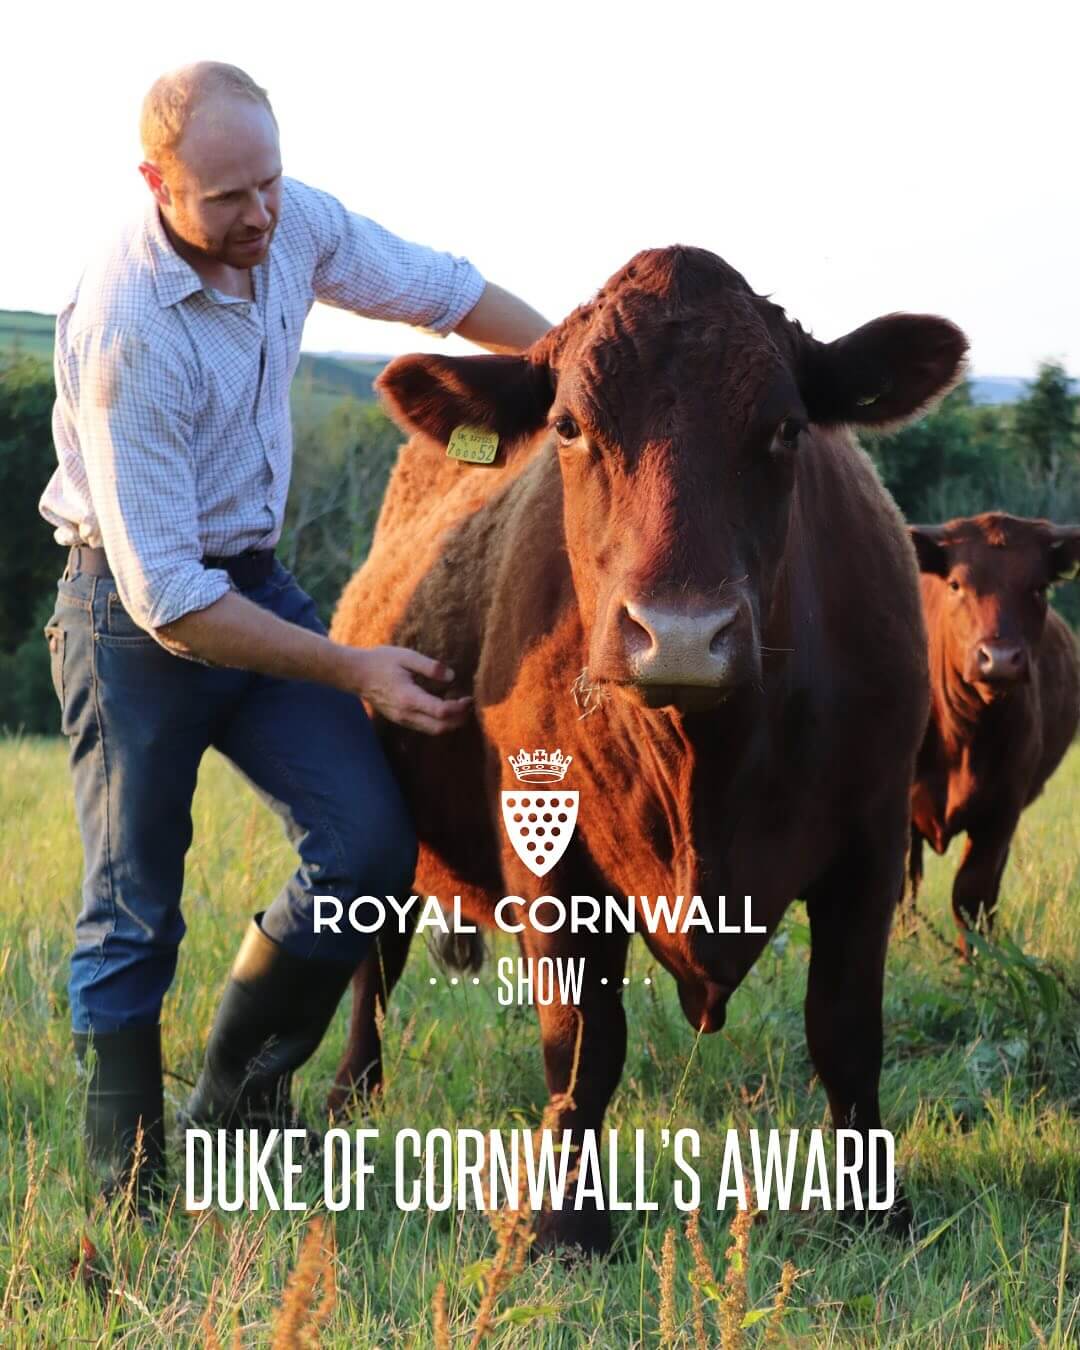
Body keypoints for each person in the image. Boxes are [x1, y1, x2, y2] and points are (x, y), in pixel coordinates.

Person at [38, 60, 551, 1209]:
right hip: (131, 619)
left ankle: (238, 1106)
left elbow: (445, 291)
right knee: (133, 905)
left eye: (268, 181)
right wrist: (354, 665)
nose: (259, 213)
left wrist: (581, 369)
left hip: (255, 585)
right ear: (156, 183)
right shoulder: (128, 328)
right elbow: (172, 601)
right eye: (227, 197)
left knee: (368, 854)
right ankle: (129, 1188)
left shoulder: (290, 220)